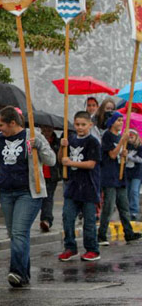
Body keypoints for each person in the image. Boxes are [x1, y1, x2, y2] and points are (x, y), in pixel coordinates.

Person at [0, 106, 56, 287]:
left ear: (13, 123)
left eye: (1, 125)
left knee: (19, 232)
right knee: (16, 234)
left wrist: (40, 146)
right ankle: (24, 275)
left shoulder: (32, 135)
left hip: (28, 192)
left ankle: (16, 272)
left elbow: (51, 160)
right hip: (6, 191)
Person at [57, 111, 102, 262]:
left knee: (89, 221)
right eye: (77, 124)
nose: (80, 128)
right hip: (73, 186)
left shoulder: (93, 142)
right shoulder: (70, 139)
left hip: (89, 186)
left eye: (83, 125)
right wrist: (62, 148)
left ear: (90, 125)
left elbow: (91, 163)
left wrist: (71, 163)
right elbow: (61, 160)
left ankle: (92, 249)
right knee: (67, 217)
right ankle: (70, 247)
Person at [97, 111, 142, 245]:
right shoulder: (108, 136)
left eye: (122, 121)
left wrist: (124, 153)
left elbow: (119, 155)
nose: (121, 123)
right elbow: (111, 154)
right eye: (118, 121)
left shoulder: (119, 137)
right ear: (112, 123)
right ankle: (102, 234)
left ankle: (128, 232)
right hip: (109, 175)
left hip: (120, 175)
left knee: (124, 205)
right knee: (109, 205)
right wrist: (122, 142)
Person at [39, 125, 62, 232]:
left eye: (49, 130)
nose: (47, 132)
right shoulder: (37, 140)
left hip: (51, 174)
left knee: (48, 198)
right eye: (44, 130)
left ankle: (46, 219)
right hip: (38, 173)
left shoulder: (57, 142)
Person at [125, 129, 142, 220]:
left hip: (137, 173)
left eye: (132, 137)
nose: (130, 139)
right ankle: (127, 210)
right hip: (127, 172)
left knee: (134, 191)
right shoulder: (126, 146)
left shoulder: (139, 147)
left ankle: (134, 211)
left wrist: (130, 156)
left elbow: (140, 159)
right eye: (129, 137)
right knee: (127, 191)